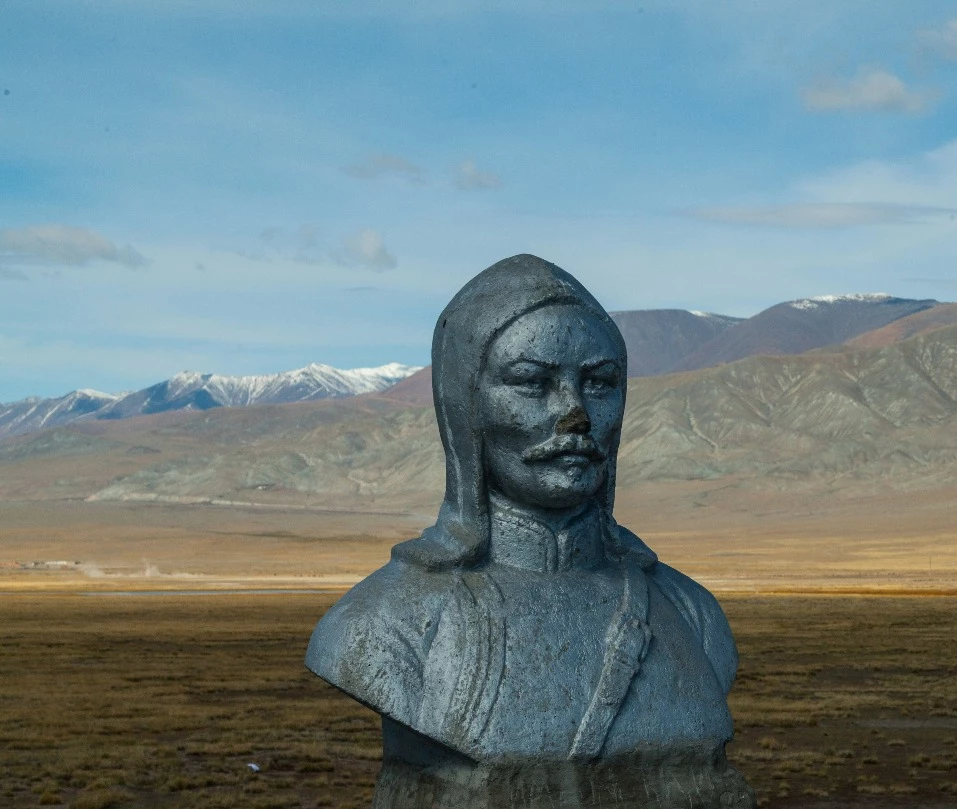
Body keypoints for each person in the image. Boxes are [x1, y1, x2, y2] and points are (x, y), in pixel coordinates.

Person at [306, 254, 737, 761]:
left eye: (599, 383)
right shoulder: (381, 628)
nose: (575, 414)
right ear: (466, 407)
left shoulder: (693, 617)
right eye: (532, 383)